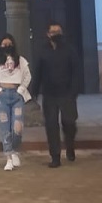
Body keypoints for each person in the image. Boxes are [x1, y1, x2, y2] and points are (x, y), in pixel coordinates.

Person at [30, 20, 80, 167]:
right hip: (49, 95)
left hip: (67, 93)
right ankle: (55, 156)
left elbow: (76, 72)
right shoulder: (42, 51)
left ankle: (70, 145)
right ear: (48, 34)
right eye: (53, 32)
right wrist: (34, 92)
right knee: (51, 125)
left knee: (69, 123)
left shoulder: (70, 50)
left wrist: (74, 91)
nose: (56, 35)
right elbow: (38, 71)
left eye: (58, 32)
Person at [0, 33, 32, 172]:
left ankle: (15, 150)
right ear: (0, 46)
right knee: (5, 127)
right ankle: (9, 158)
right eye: (4, 44)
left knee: (18, 127)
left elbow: (28, 76)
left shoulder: (21, 61)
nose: (7, 46)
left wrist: (21, 89)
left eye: (9, 44)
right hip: (3, 96)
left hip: (17, 96)